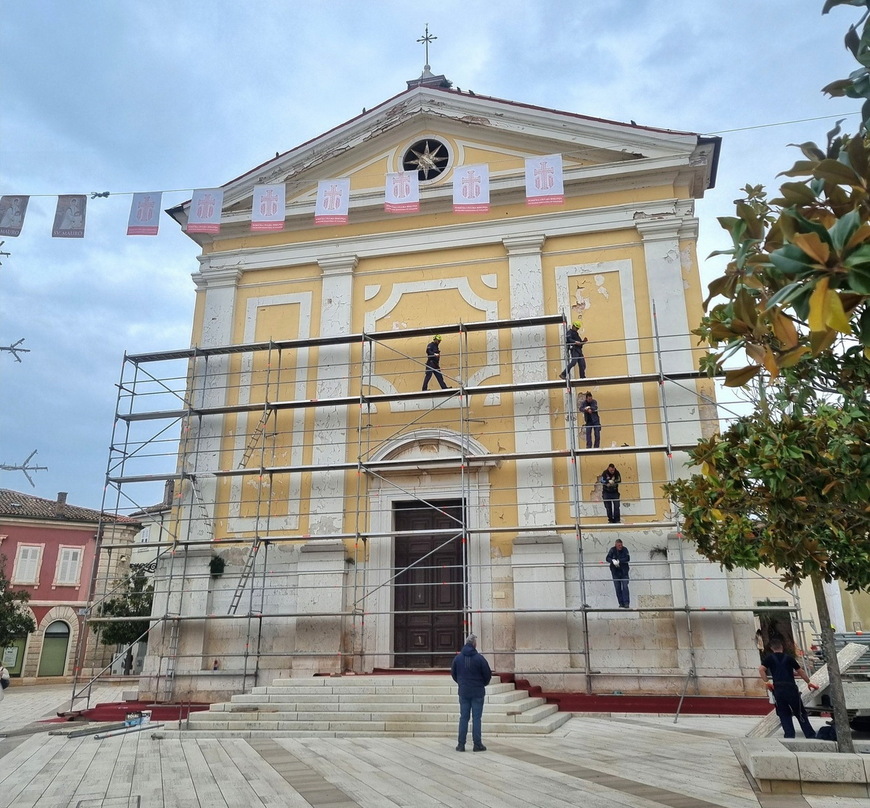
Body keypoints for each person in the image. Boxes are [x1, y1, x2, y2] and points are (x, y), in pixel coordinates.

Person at [758, 638, 818, 739]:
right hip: (790, 688)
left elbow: (761, 669)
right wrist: (809, 682)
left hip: (778, 689)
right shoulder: (789, 658)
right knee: (800, 712)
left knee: (783, 713)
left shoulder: (769, 658)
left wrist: (766, 682)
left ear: (772, 648)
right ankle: (810, 734)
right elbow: (800, 671)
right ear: (782, 647)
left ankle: (789, 735)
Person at [451, 633, 492, 752]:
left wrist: (461, 682)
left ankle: (461, 744)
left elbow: (453, 673)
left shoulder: (458, 658)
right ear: (474, 644)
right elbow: (487, 674)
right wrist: (482, 684)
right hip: (477, 691)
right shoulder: (480, 658)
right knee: (476, 718)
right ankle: (477, 744)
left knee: (463, 717)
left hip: (464, 691)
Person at [605, 539, 630, 608]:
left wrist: (619, 561)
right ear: (615, 545)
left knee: (625, 587)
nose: (620, 547)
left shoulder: (625, 549)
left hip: (624, 571)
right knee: (617, 588)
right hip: (615, 572)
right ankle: (621, 603)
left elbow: (627, 558)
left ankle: (626, 602)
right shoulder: (612, 550)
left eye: (621, 545)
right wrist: (612, 560)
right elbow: (607, 558)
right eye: (619, 545)